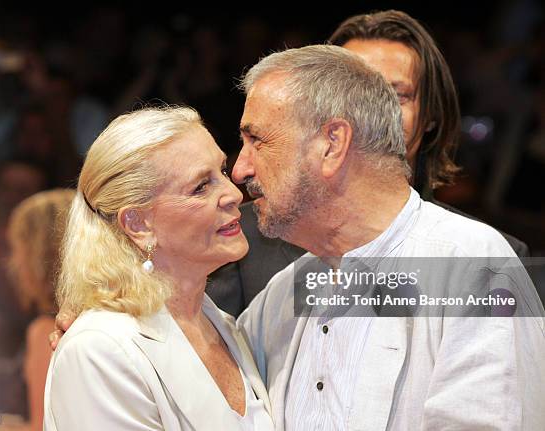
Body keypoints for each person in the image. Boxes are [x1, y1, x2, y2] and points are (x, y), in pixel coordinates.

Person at [233, 44, 544, 430]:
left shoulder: (470, 264)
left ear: (332, 143)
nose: (240, 169)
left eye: (257, 140)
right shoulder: (285, 293)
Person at [206, 9, 529, 317]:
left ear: (431, 115)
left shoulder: (483, 257)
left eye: (395, 96)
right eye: (350, 92)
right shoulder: (241, 236)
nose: (369, 111)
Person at [43, 107, 274, 430]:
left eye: (221, 171)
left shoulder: (221, 325)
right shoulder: (100, 349)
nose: (234, 194)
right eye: (200, 187)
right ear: (138, 224)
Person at [6, 188, 75, 431]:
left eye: (16, 249)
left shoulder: (46, 330)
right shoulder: (96, 318)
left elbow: (41, 426)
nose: (13, 263)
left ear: (38, 256)